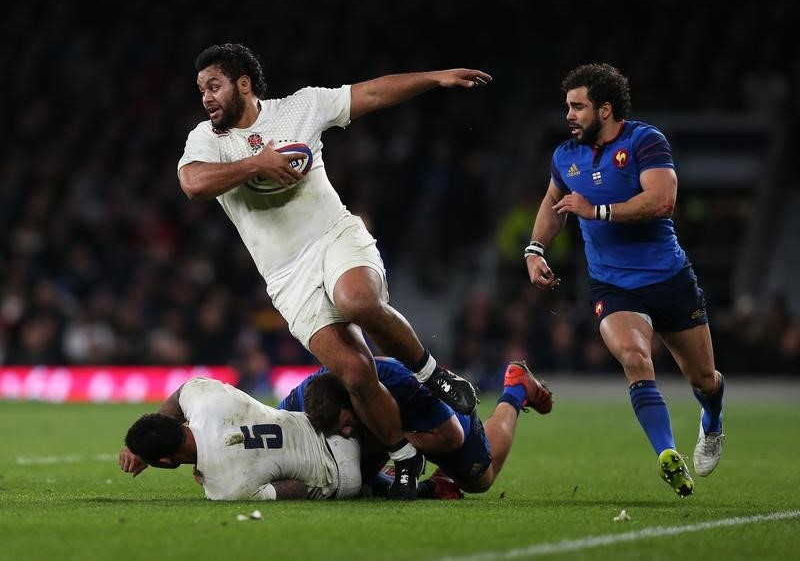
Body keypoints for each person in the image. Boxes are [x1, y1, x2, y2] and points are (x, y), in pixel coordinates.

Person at [177, 43, 491, 499]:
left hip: (334, 236)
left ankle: (431, 374)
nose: (206, 97)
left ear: (243, 84)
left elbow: (373, 95)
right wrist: (257, 163)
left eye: (214, 86)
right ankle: (404, 456)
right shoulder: (208, 139)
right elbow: (192, 183)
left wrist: (435, 76)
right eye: (201, 89)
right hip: (287, 275)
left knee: (358, 300)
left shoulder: (301, 107)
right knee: (355, 373)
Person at [524, 63, 725, 497]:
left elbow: (662, 200)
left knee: (703, 380)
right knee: (635, 357)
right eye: (567, 107)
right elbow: (553, 200)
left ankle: (712, 422)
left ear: (606, 108)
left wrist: (596, 211)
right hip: (613, 286)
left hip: (669, 278)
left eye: (578, 106)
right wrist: (535, 249)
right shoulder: (565, 156)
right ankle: (667, 455)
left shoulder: (644, 141)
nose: (570, 115)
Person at [280, 357, 553, 496]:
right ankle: (434, 483)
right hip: (391, 427)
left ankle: (516, 388)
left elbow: (452, 437)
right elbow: (271, 424)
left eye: (347, 424)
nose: (346, 433)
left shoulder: (402, 386)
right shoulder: (304, 398)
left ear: (355, 399)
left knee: (479, 480)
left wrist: (397, 445)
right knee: (359, 471)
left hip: (440, 421)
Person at [118, 377, 362, 501]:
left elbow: (297, 488)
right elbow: (181, 394)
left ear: (165, 460)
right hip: (330, 427)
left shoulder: (223, 489)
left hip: (344, 476)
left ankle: (377, 480)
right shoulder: (204, 398)